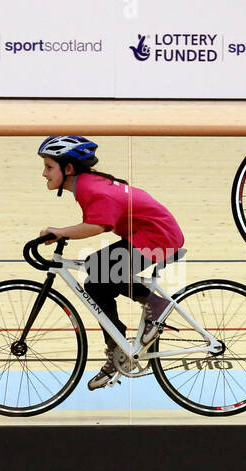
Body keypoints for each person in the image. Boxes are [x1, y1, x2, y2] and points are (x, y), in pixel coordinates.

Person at [36, 136, 185, 390]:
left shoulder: (90, 188)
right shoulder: (86, 185)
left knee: (98, 267)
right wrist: (62, 233)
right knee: (96, 282)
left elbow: (97, 225)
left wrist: (60, 232)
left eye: (49, 167)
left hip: (158, 236)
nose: (43, 173)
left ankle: (156, 305)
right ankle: (117, 349)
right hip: (147, 234)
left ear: (68, 168)